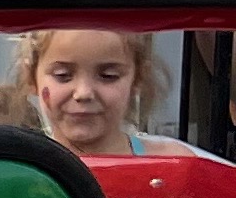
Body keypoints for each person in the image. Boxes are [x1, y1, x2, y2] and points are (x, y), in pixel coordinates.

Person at [16, 27, 163, 160]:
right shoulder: (21, 168)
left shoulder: (167, 161)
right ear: (31, 76)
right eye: (62, 75)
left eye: (108, 76)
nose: (83, 93)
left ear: (138, 78)